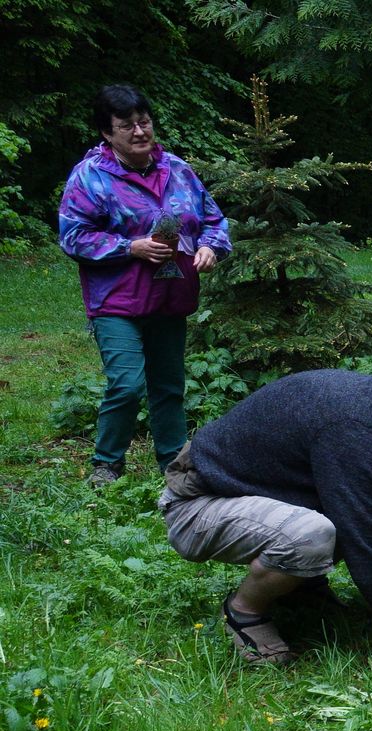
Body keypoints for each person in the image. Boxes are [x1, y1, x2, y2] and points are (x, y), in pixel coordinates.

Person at [160, 354, 372, 669]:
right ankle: (244, 612)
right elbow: (367, 552)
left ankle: (301, 590)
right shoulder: (357, 428)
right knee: (312, 536)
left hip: (259, 498)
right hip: (198, 505)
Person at [59, 84, 231, 487]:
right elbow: (72, 236)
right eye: (126, 126)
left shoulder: (178, 170)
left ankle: (174, 465)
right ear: (107, 132)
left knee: (169, 385)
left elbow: (214, 221)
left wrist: (210, 247)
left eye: (144, 122)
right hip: (117, 299)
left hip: (172, 295)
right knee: (128, 382)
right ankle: (106, 464)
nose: (139, 132)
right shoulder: (90, 177)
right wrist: (129, 247)